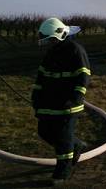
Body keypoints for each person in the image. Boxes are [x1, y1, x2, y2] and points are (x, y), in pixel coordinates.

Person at [31, 17, 90, 184]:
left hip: (67, 105)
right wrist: (36, 97)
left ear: (61, 34)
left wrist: (76, 98)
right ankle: (76, 145)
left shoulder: (75, 50)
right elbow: (41, 76)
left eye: (51, 39)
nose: (50, 43)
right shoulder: (51, 52)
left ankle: (62, 173)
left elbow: (83, 76)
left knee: (63, 138)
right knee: (45, 132)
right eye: (48, 40)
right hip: (48, 103)